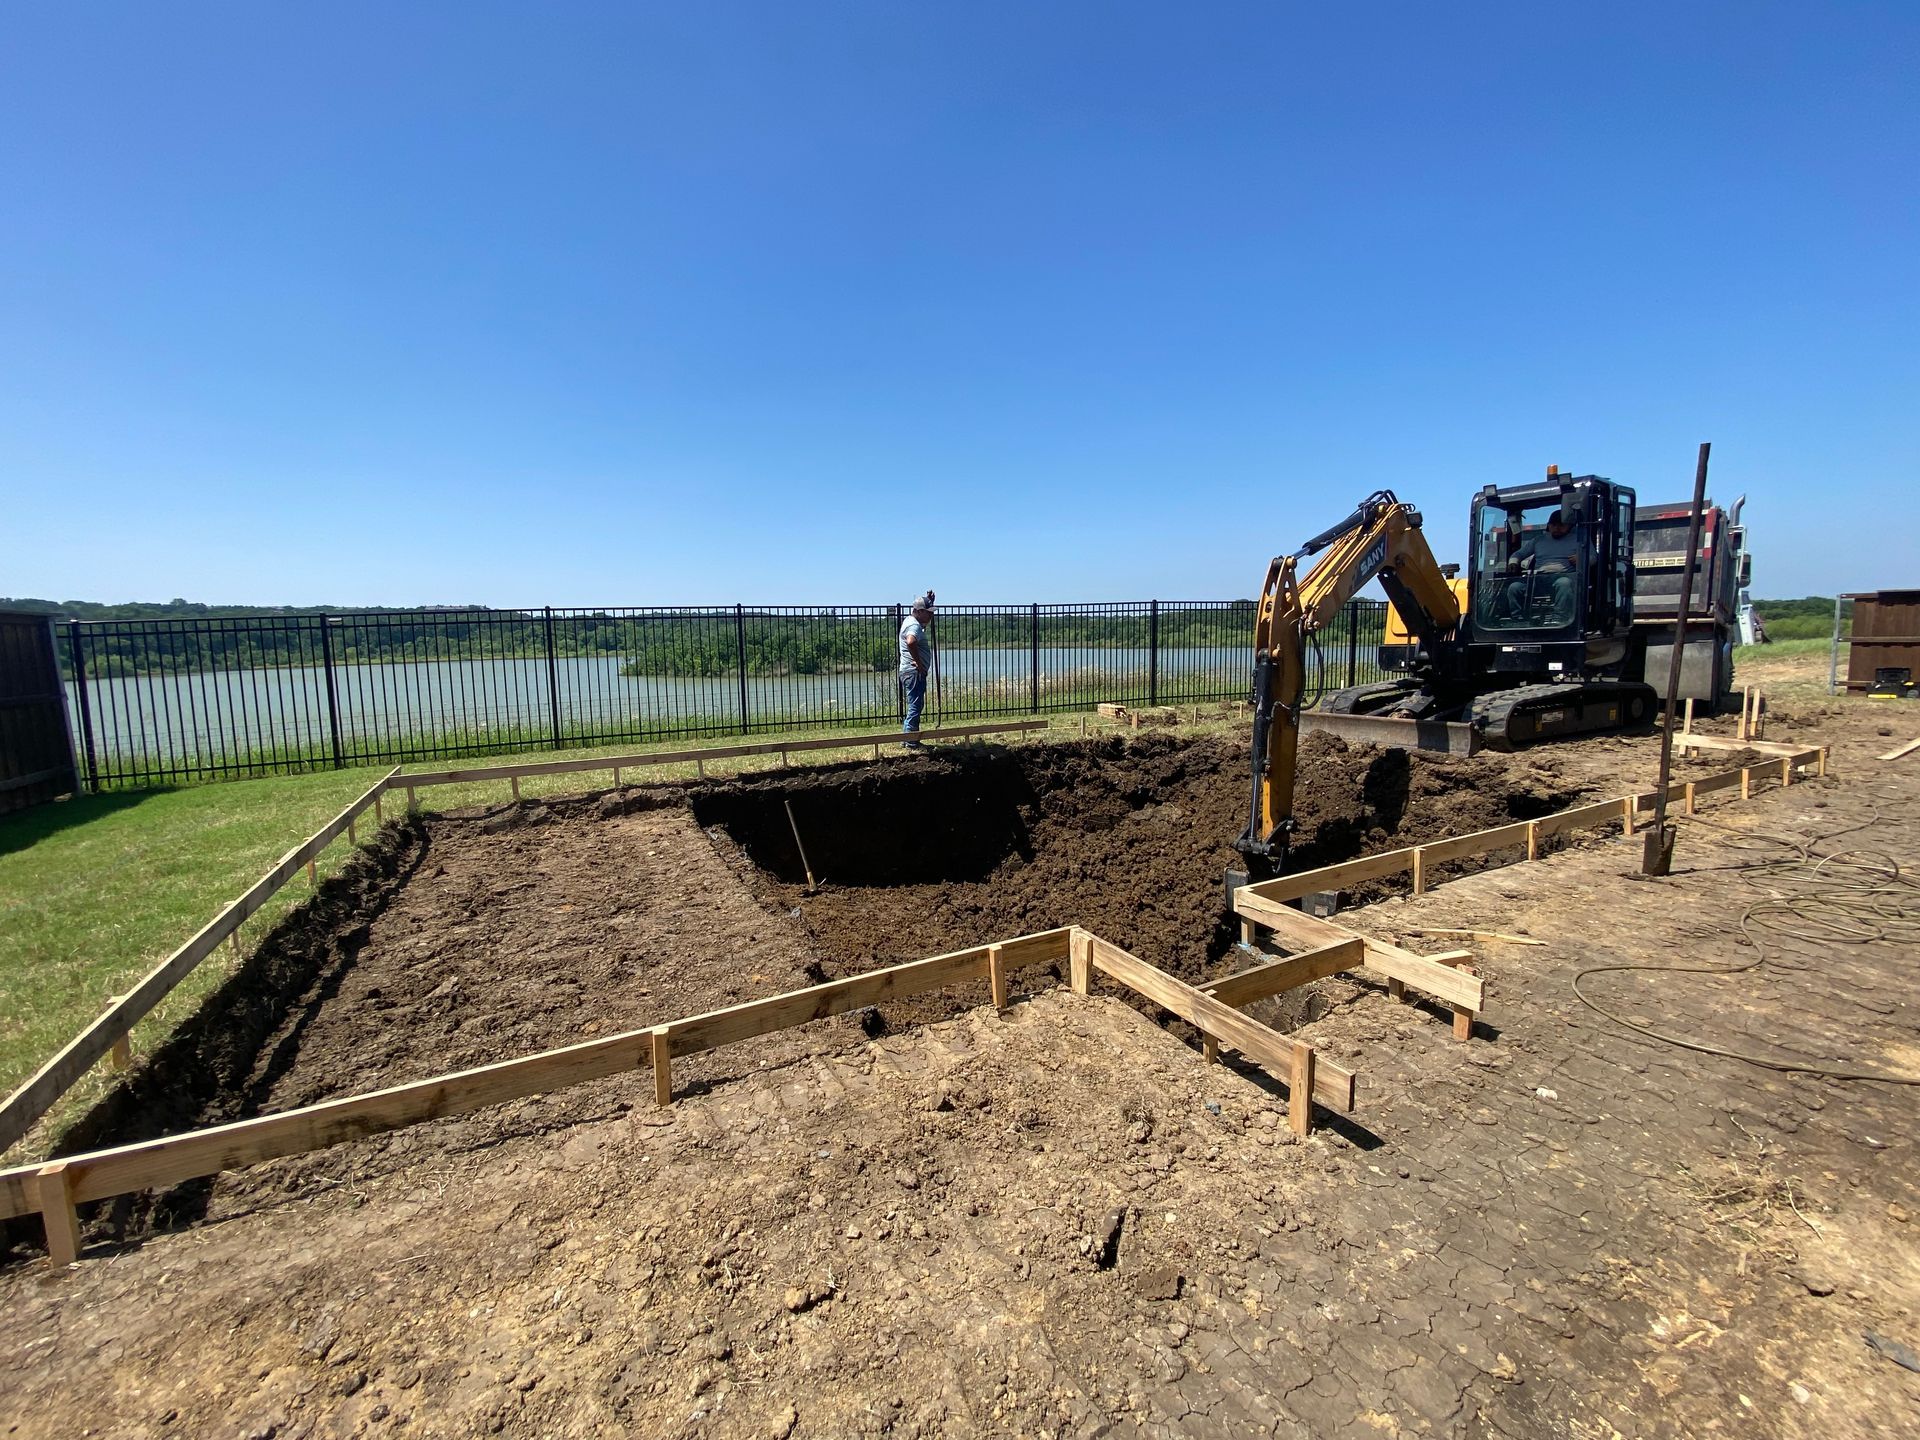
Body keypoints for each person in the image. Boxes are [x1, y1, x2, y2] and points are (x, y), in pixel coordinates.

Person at [1504, 512, 1580, 625]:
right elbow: (1518, 554)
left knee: (1564, 583)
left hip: (1563, 577)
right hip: (1538, 580)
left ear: (1569, 525)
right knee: (1514, 587)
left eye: (1561, 525)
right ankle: (1518, 619)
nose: (1557, 528)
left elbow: (1593, 557)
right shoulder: (1538, 540)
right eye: (1553, 525)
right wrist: (1513, 562)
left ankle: (1559, 619)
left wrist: (1581, 558)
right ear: (1548, 525)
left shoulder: (1578, 539)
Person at [898, 591, 934, 748]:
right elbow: (911, 642)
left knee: (915, 704)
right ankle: (911, 742)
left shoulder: (911, 621)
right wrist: (919, 664)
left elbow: (917, 635)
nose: (931, 616)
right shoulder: (913, 625)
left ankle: (907, 739)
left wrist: (930, 602)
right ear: (919, 611)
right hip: (914, 672)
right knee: (915, 705)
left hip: (909, 671)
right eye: (928, 612)